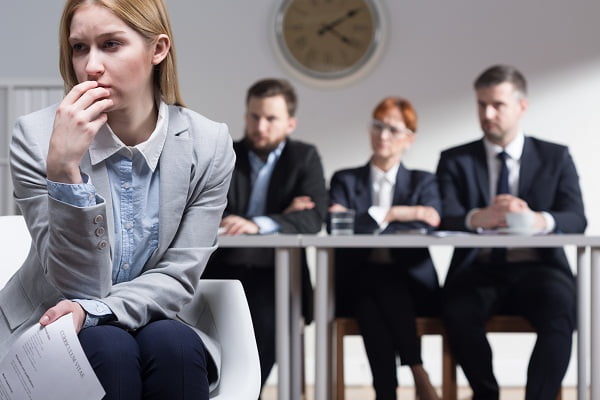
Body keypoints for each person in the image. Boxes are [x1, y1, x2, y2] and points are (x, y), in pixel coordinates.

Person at [0, 1, 235, 399]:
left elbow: (178, 274)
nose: (91, 66)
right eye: (79, 48)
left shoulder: (209, 144)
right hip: (52, 320)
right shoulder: (37, 138)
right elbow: (76, 286)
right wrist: (63, 170)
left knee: (172, 345)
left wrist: (99, 312)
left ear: (158, 50)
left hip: (160, 318)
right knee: (109, 346)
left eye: (110, 44)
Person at [436, 64, 587, 400]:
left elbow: (577, 218)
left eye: (497, 105)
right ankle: (486, 394)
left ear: (521, 106)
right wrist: (478, 218)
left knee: (563, 307)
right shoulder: (455, 159)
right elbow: (442, 215)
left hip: (540, 268)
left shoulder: (555, 157)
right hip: (479, 268)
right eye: (481, 104)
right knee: (457, 310)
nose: (488, 114)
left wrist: (537, 220)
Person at [202, 78, 328, 396]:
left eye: (271, 118)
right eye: (254, 116)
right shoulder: (226, 154)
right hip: (223, 266)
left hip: (277, 274)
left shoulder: (305, 158)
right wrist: (284, 214)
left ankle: (248, 394)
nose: (260, 126)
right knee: (206, 339)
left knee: (266, 333)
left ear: (290, 123)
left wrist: (259, 223)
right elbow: (211, 212)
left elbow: (313, 218)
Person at [329, 97, 441, 400]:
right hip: (355, 284)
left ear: (410, 138)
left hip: (413, 286)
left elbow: (431, 222)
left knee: (381, 286)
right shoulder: (346, 179)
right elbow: (335, 225)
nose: (383, 135)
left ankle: (386, 393)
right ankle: (417, 369)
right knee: (372, 285)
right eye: (377, 126)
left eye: (393, 129)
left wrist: (365, 218)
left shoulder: (423, 180)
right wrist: (399, 213)